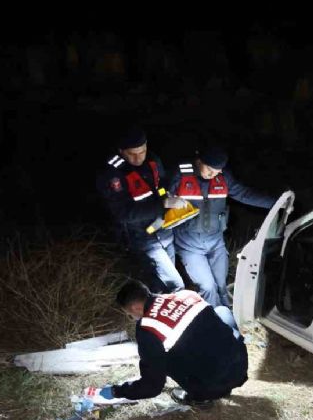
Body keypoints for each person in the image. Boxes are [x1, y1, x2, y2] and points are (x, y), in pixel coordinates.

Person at [89, 279, 248, 405]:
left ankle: (202, 396)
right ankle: (220, 381)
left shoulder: (148, 328)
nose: (131, 318)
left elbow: (152, 386)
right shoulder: (186, 295)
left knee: (161, 359)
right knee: (221, 312)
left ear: (136, 308)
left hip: (214, 385)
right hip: (240, 366)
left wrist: (117, 391)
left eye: (129, 314)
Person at [167, 146, 275, 307]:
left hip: (216, 242)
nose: (213, 175)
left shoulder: (222, 176)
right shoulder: (180, 174)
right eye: (210, 169)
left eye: (218, 171)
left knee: (221, 285)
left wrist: (275, 204)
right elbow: (160, 194)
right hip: (189, 246)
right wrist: (166, 201)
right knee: (207, 286)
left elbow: (244, 193)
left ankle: (228, 312)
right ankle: (215, 319)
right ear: (199, 161)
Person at [95, 126, 185, 293]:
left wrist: (167, 196)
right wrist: (162, 205)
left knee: (166, 284)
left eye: (142, 151)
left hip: (164, 230)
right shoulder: (112, 174)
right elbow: (122, 213)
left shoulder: (153, 160)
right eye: (132, 154)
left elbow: (162, 184)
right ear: (121, 151)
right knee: (174, 285)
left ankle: (160, 309)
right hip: (143, 238)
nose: (138, 158)